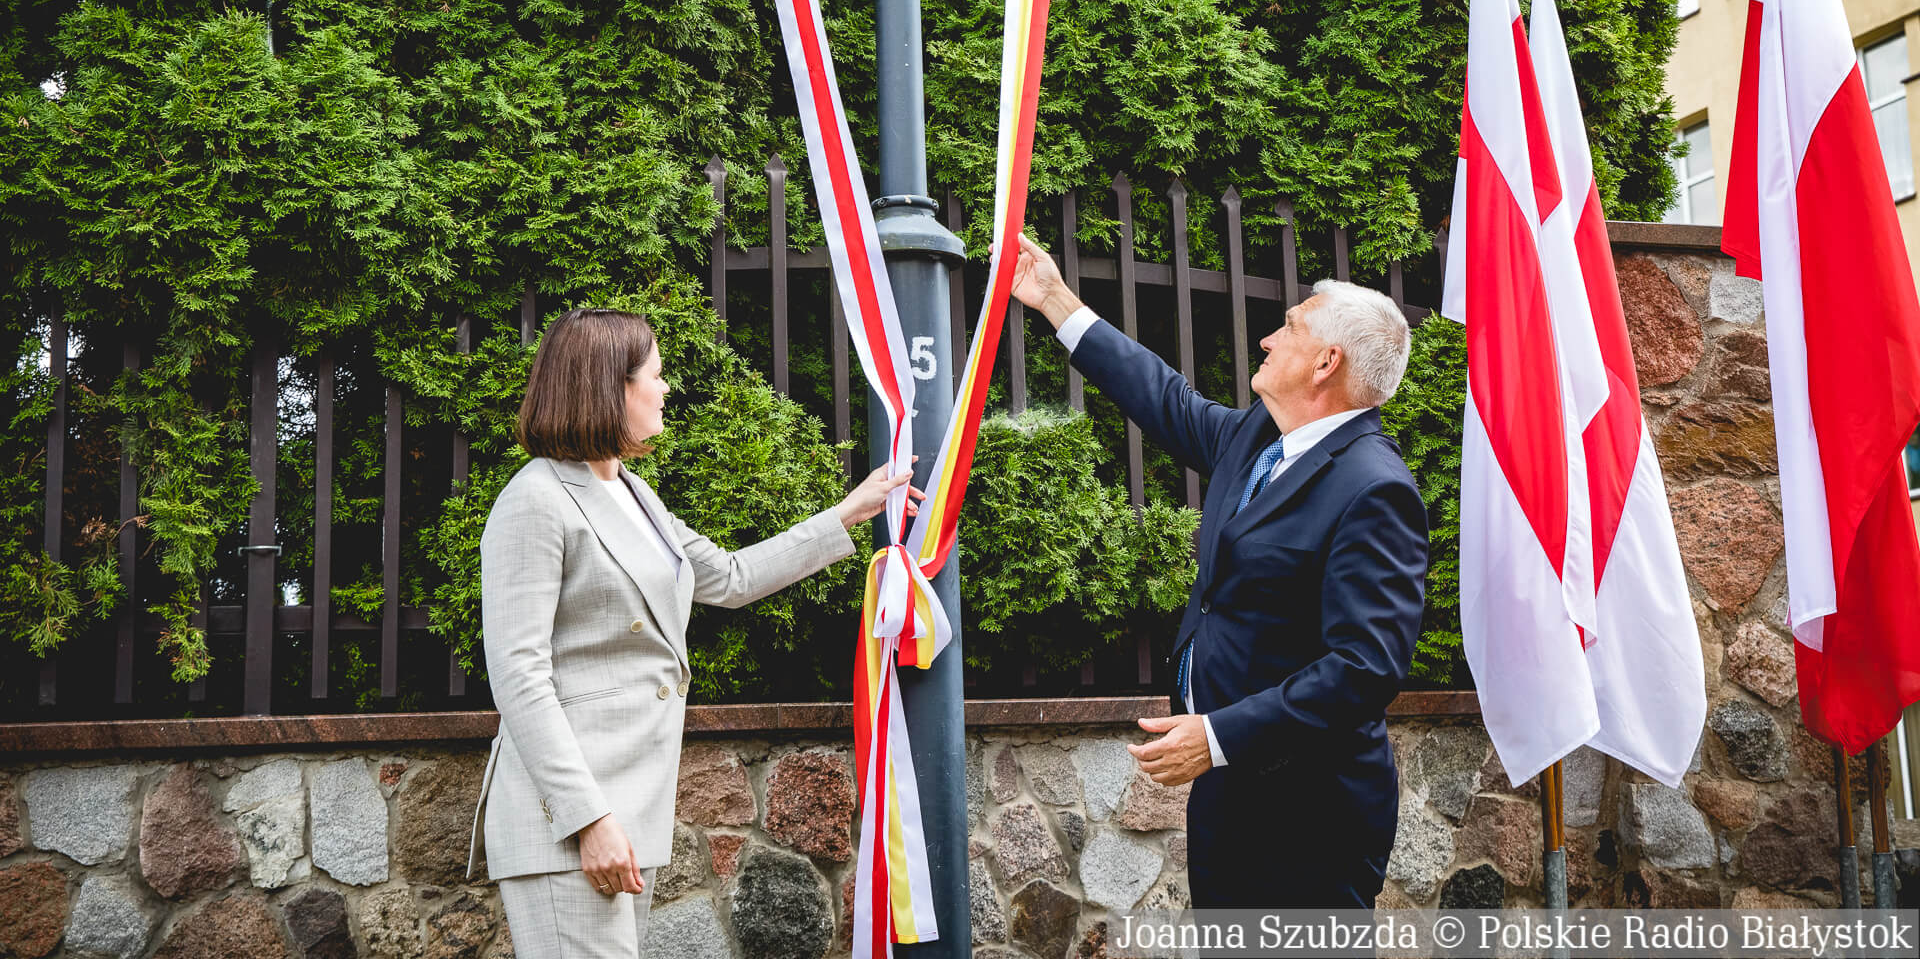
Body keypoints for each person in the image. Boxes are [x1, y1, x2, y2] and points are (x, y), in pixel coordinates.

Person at [467, 308, 918, 956]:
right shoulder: (534, 499)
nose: (667, 387)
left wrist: (847, 514)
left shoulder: (635, 494)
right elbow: (519, 677)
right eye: (656, 373)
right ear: (610, 386)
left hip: (631, 807)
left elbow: (729, 577)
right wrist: (588, 822)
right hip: (570, 821)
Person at [1010, 235, 1428, 908]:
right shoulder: (1259, 439)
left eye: (1289, 326)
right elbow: (1163, 399)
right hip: (1229, 791)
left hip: (1310, 816)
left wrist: (1218, 736)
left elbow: (1364, 666)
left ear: (1327, 361)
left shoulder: (1373, 488)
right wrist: (1055, 300)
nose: (1267, 338)